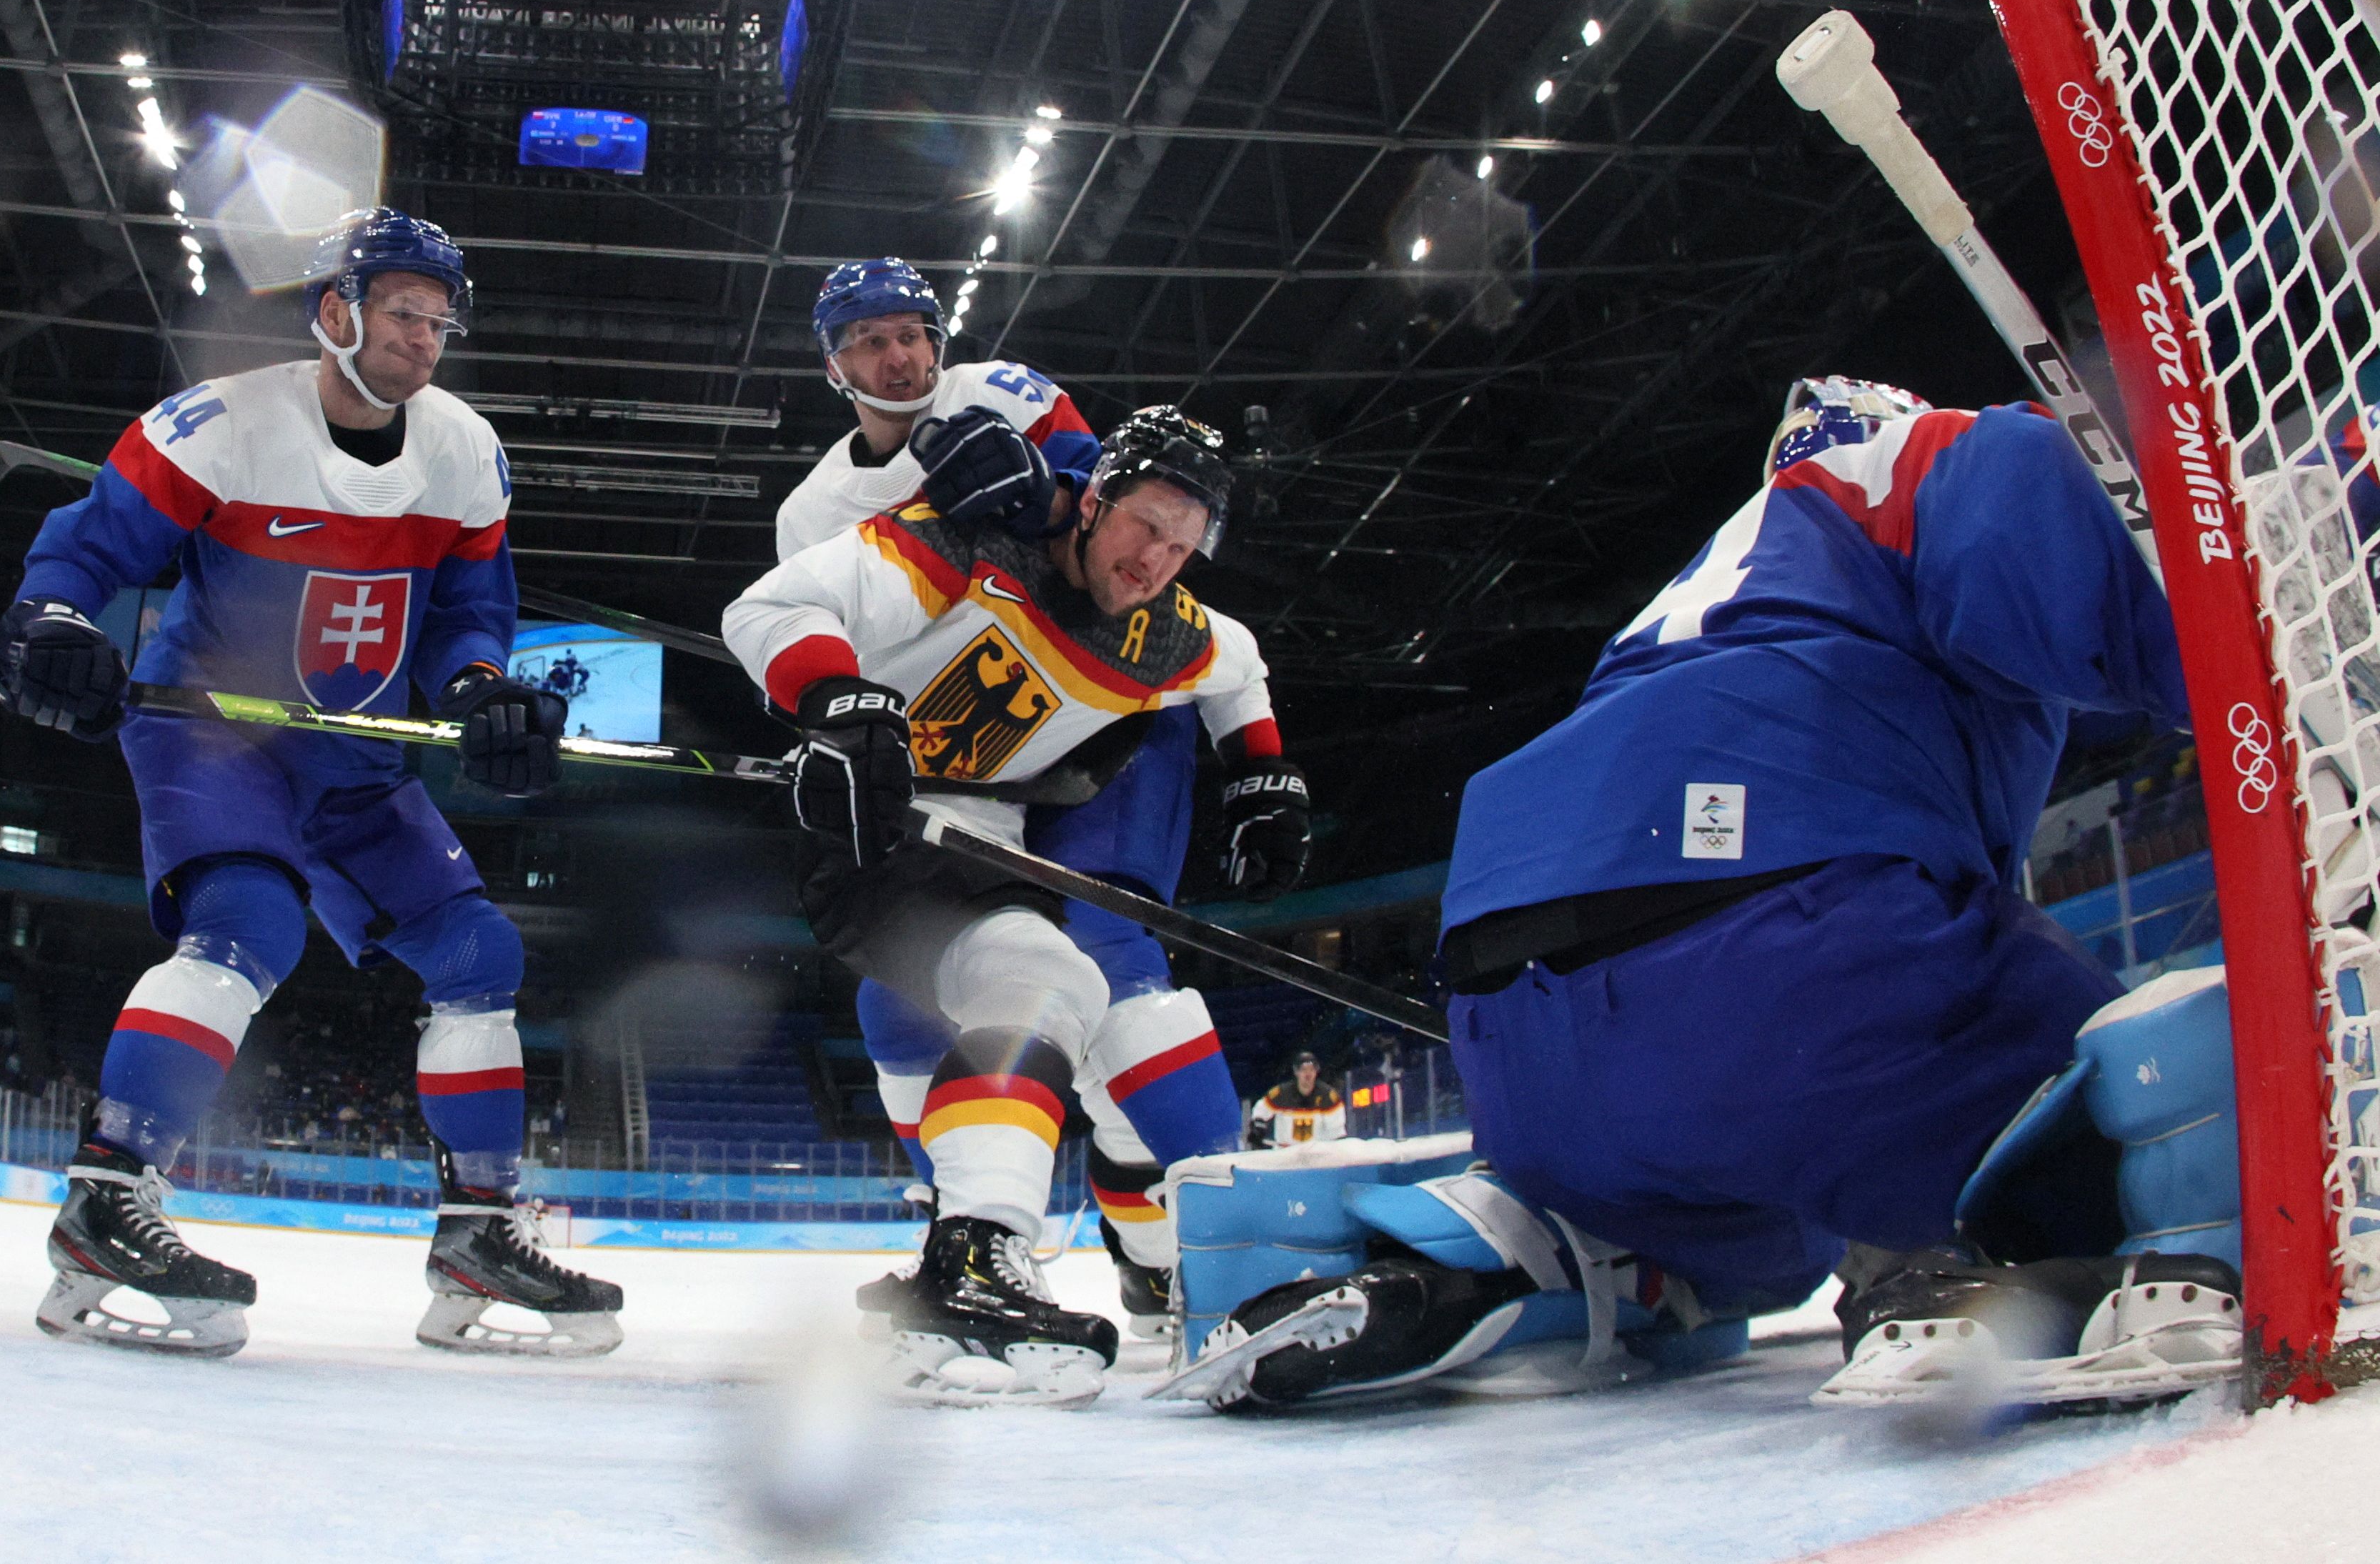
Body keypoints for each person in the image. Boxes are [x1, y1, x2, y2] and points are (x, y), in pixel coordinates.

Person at [1165, 377, 2244, 1413]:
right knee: (2134, 1083)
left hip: (1516, 1016)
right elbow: (2059, 527)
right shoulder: (1888, 463)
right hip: (1780, 961)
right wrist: (2270, 683)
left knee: (1760, 1241)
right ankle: (1998, 1254)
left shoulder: (1711, 587)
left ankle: (1520, 1260)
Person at [0, 208, 621, 1360]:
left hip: (359, 758)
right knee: (249, 924)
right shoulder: (221, 425)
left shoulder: (467, 451)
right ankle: (102, 1202)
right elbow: (87, 550)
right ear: (336, 312)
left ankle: (476, 1233)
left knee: (482, 957)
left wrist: (481, 689)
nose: (425, 339)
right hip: (215, 732)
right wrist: (53, 615)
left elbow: (472, 612)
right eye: (402, 313)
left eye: (439, 320)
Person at [724, 405, 1310, 1404]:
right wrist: (837, 699)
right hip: (877, 829)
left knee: (1059, 984)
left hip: (981, 849)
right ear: (1092, 498)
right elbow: (767, 613)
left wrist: (1263, 769)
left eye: (1180, 543)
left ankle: (966, 1262)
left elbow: (1241, 666)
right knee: (1050, 978)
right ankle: (971, 1260)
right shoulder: (966, 544)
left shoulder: (1163, 631)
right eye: (1142, 525)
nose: (1153, 560)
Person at [782, 260, 1251, 1341]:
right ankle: (971, 1237)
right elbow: (851, 653)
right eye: (868, 342)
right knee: (901, 1004)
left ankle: (1216, 1244)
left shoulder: (1012, 391)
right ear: (833, 365)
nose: (896, 357)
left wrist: (1040, 491)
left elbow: (1127, 531)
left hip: (1103, 724)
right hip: (974, 755)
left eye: (911, 334)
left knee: (1114, 966)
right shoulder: (815, 513)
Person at [1248, 1052, 1345, 1148]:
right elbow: (1261, 1111)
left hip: (1316, 1157)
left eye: (1312, 1070)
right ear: (1296, 1072)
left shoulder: (1328, 1096)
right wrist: (1258, 1129)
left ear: (1316, 1071)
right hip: (1286, 1155)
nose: (1308, 1074)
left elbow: (1336, 1132)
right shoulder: (1281, 1094)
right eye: (1304, 1070)